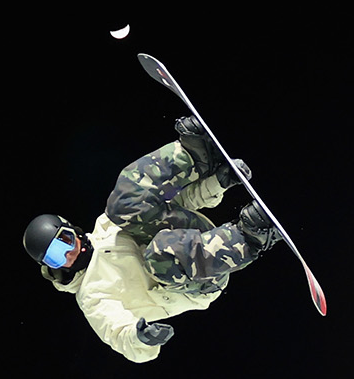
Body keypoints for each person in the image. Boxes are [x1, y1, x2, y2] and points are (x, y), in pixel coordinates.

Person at [23, 118, 280, 363]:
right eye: (55, 257)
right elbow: (115, 332)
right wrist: (140, 337)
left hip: (190, 240)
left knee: (122, 205)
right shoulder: (92, 295)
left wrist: (217, 183)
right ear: (53, 267)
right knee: (159, 255)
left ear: (74, 231)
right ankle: (249, 239)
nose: (68, 254)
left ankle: (195, 157)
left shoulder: (106, 227)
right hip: (196, 280)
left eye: (65, 242)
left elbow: (174, 208)